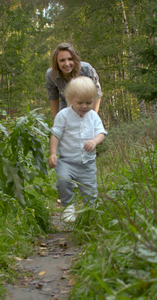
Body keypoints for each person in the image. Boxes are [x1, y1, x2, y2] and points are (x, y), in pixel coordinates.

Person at [48, 76, 107, 222]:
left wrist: (95, 140)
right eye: (80, 102)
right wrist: (53, 153)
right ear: (70, 100)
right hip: (66, 161)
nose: (85, 106)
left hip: (87, 163)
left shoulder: (93, 116)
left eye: (89, 102)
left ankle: (89, 214)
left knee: (90, 190)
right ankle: (68, 207)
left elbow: (101, 133)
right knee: (63, 182)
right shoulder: (63, 116)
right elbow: (55, 135)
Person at [45, 42, 102, 120]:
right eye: (62, 60)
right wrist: (57, 119)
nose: (67, 64)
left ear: (75, 59)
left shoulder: (87, 70)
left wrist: (94, 116)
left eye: (70, 59)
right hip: (66, 106)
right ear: (57, 62)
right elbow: (53, 97)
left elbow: (97, 94)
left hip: (86, 106)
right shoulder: (51, 75)